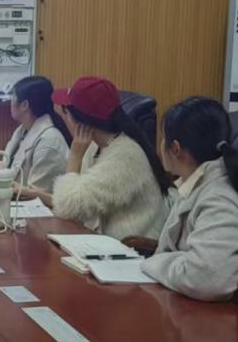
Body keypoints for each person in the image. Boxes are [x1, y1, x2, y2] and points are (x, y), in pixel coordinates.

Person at [141, 97, 238, 313]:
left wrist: (153, 263)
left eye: (163, 138)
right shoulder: (198, 180)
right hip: (213, 312)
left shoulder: (221, 196)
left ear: (175, 148)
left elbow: (207, 280)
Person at [24, 76, 172, 240]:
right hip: (102, 242)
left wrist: (75, 156)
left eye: (65, 111)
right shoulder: (95, 146)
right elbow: (74, 204)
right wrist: (33, 193)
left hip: (130, 248)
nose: (63, 117)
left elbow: (67, 207)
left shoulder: (125, 156)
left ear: (82, 122)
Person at [1, 76, 71, 193]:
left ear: (24, 105)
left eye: (12, 97)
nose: (10, 102)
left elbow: (36, 193)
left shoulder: (49, 141)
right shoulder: (22, 131)